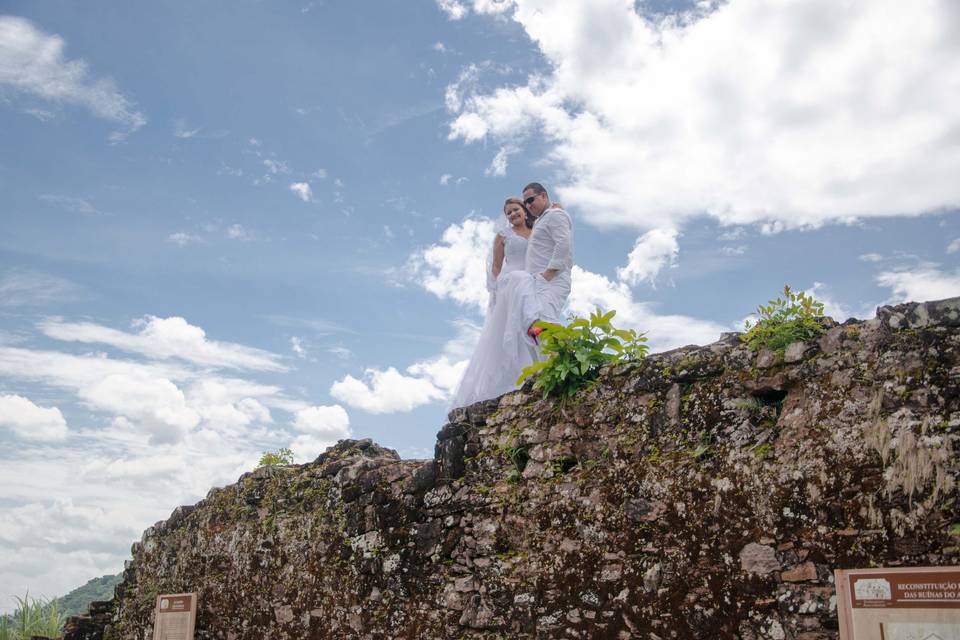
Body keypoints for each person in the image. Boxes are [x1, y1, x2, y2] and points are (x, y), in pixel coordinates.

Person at [449, 198, 540, 409]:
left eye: (515, 210)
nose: (512, 215)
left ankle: (535, 369)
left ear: (525, 211)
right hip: (510, 283)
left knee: (530, 322)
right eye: (508, 213)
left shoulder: (537, 229)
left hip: (532, 282)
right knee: (510, 328)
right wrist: (500, 289)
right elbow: (496, 267)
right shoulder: (503, 236)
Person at [521, 182, 574, 328]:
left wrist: (548, 273)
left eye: (530, 200)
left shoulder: (555, 215)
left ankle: (565, 351)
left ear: (543, 195)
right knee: (537, 327)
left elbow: (563, 244)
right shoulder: (542, 219)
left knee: (546, 324)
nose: (528, 205)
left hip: (551, 280)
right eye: (525, 203)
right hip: (538, 282)